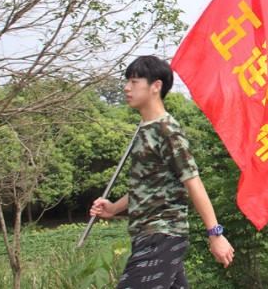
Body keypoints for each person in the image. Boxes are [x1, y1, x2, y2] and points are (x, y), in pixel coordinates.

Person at [90, 56, 234, 289]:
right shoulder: (146, 129)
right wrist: (114, 208)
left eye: (134, 82)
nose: (126, 88)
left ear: (156, 86)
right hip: (149, 235)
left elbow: (193, 181)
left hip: (161, 234)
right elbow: (148, 185)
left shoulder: (167, 131)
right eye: (127, 81)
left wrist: (215, 234)